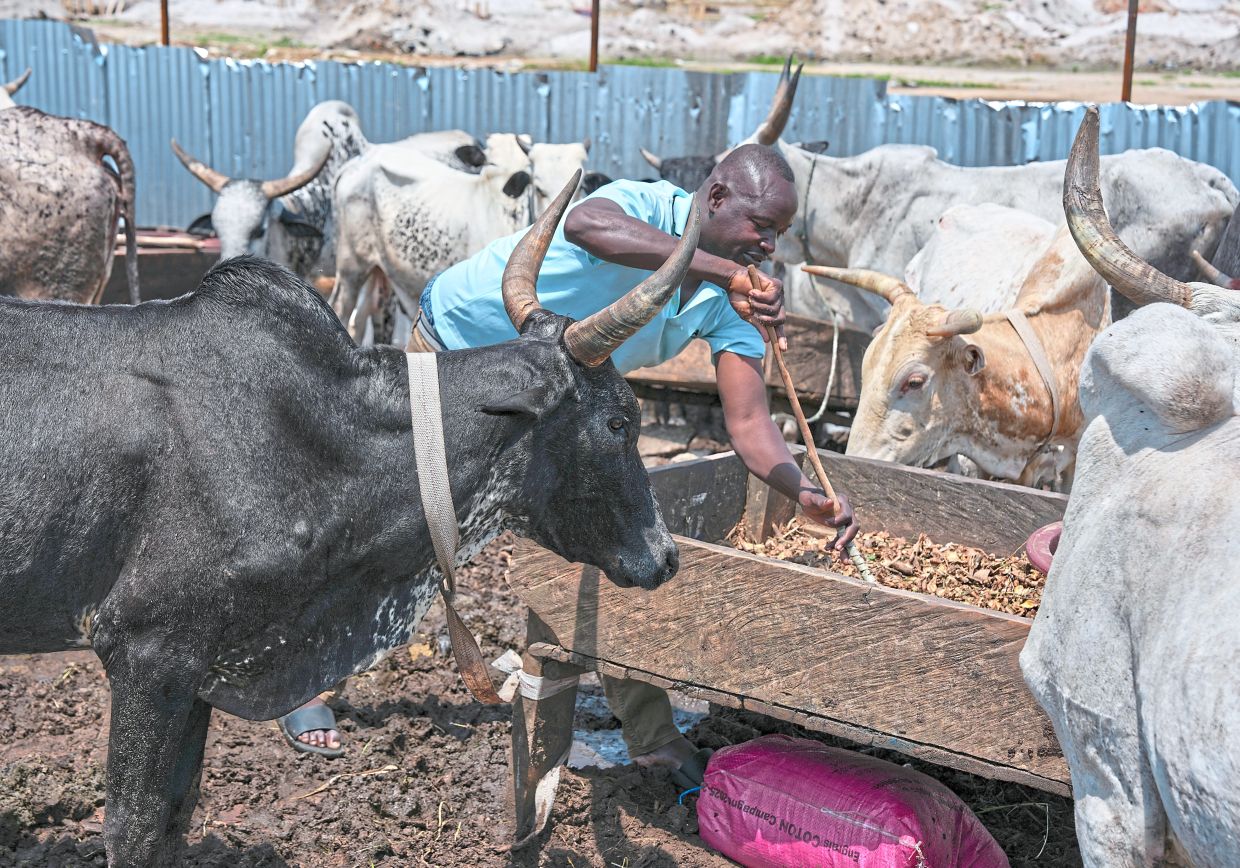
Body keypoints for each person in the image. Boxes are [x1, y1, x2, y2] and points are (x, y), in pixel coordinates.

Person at [278, 143, 860, 786]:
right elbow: (586, 225)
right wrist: (723, 270)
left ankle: (652, 737)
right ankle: (305, 678)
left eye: (778, 234)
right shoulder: (649, 207)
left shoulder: (733, 303)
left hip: (560, 399)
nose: (769, 247)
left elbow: (750, 426)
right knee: (403, 519)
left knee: (617, 531)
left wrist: (801, 490)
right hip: (460, 350)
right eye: (763, 227)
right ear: (715, 199)